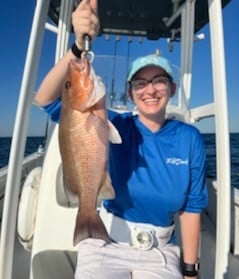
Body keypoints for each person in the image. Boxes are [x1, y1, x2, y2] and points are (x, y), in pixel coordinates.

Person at [35, 1, 208, 278]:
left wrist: (190, 270)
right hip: (105, 243)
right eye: (140, 83)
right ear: (130, 93)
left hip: (161, 252)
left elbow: (191, 208)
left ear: (172, 88)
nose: (149, 90)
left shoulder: (190, 139)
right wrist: (78, 47)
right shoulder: (114, 122)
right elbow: (43, 99)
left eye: (159, 80)